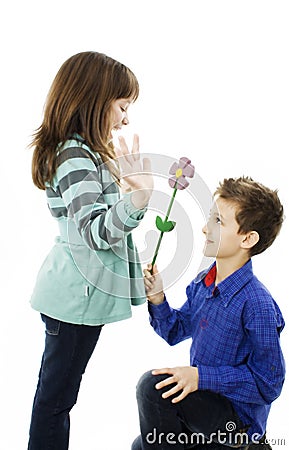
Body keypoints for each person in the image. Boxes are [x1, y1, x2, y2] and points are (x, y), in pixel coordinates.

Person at [28, 51, 153, 450]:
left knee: (60, 397)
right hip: (72, 298)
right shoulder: (73, 155)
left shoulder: (85, 153)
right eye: (122, 106)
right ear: (94, 101)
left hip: (82, 297)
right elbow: (98, 232)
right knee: (55, 400)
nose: (126, 119)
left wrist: (131, 192)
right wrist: (139, 198)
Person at [133, 176, 285, 449]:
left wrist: (201, 377)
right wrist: (157, 298)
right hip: (202, 410)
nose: (205, 229)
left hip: (234, 424)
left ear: (247, 238)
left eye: (218, 221)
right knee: (141, 444)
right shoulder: (204, 284)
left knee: (151, 388)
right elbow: (175, 330)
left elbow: (269, 383)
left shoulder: (257, 304)